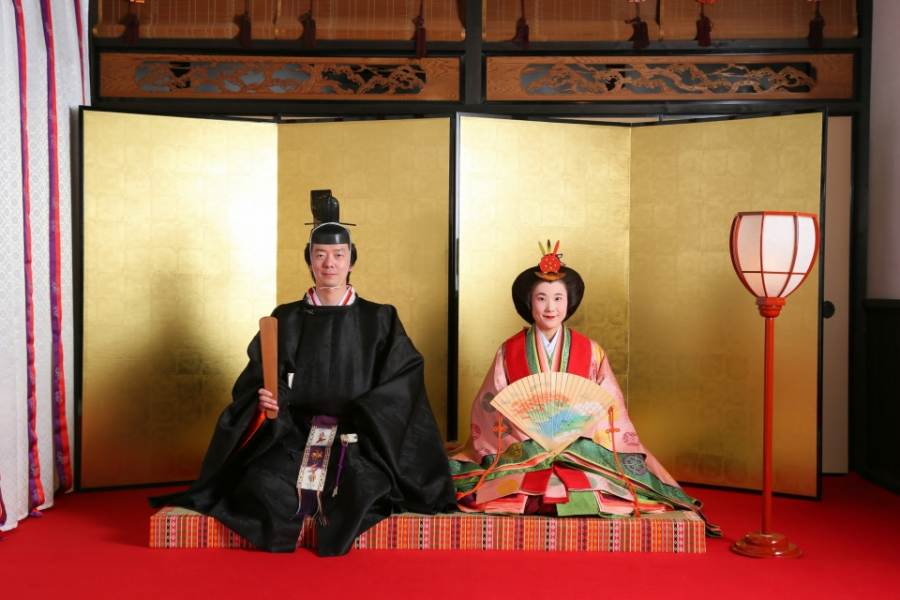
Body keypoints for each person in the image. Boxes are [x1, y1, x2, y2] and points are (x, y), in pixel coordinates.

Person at [150, 192, 457, 556]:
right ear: (309, 261)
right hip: (295, 432)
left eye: (339, 255)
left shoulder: (380, 318)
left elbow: (403, 377)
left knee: (367, 486)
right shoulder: (286, 317)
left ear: (352, 262)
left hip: (356, 436)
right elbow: (262, 374)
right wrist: (268, 395)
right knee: (260, 484)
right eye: (320, 255)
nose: (330, 263)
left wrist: (366, 408)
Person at [448, 242, 719, 535]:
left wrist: (574, 432)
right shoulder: (509, 351)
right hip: (523, 445)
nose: (550, 307)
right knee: (509, 483)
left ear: (570, 301)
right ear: (529, 302)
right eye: (541, 298)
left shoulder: (590, 351)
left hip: (580, 444)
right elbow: (491, 403)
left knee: (598, 483)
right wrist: (530, 436)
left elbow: (608, 403)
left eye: (558, 298)